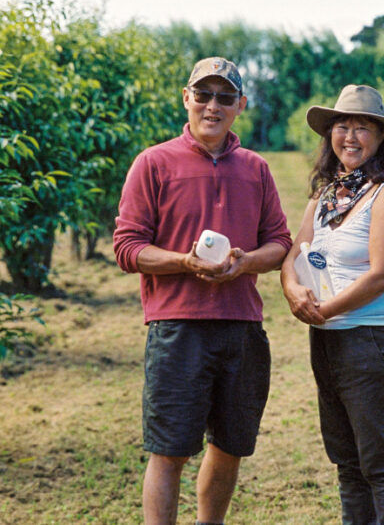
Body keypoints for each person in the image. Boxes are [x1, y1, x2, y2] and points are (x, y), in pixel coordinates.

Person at [113, 57, 291, 525]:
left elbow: (279, 242)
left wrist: (244, 264)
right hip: (178, 329)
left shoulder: (255, 169)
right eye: (204, 94)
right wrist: (183, 263)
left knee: (230, 446)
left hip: (241, 327)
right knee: (169, 450)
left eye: (225, 97)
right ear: (186, 98)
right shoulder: (153, 163)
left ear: (241, 106)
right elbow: (128, 247)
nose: (213, 105)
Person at [280, 84, 384, 524]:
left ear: (380, 139)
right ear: (329, 135)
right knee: (347, 462)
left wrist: (326, 308)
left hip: (372, 341)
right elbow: (296, 254)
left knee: (380, 462)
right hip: (329, 340)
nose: (350, 137)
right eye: (342, 126)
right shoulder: (326, 196)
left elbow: (382, 274)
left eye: (363, 128)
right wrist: (292, 289)